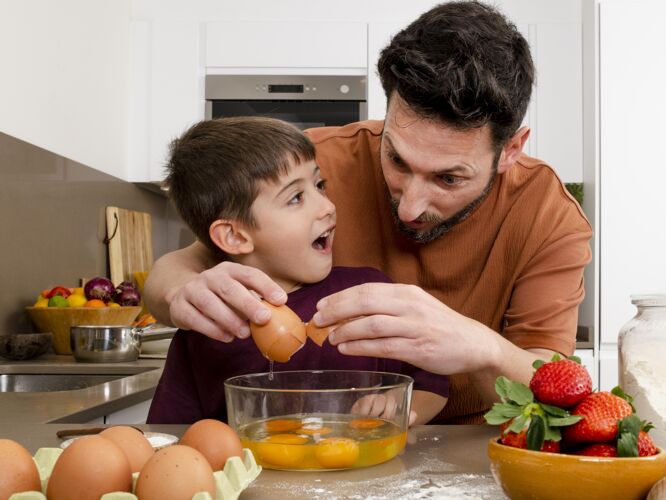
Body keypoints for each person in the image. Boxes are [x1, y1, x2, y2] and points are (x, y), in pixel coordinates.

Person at [144, 1, 592, 424]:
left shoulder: (547, 214)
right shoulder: (312, 166)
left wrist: (483, 349)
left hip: (478, 444)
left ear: (510, 150)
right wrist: (185, 295)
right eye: (396, 159)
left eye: (449, 178)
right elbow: (186, 266)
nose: (412, 205)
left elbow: (554, 395)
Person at [146, 116, 449, 424]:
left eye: (319, 185)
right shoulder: (209, 322)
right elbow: (174, 432)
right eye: (296, 198)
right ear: (235, 237)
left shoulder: (369, 293)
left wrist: (397, 408)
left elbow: (432, 385)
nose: (327, 206)